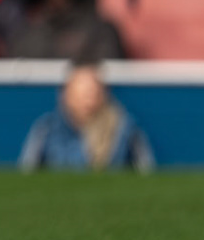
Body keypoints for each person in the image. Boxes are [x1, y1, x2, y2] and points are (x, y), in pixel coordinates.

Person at [18, 61, 155, 172]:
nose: (88, 101)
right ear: (66, 96)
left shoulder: (123, 127)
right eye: (81, 94)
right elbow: (27, 172)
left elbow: (146, 171)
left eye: (93, 93)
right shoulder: (47, 128)